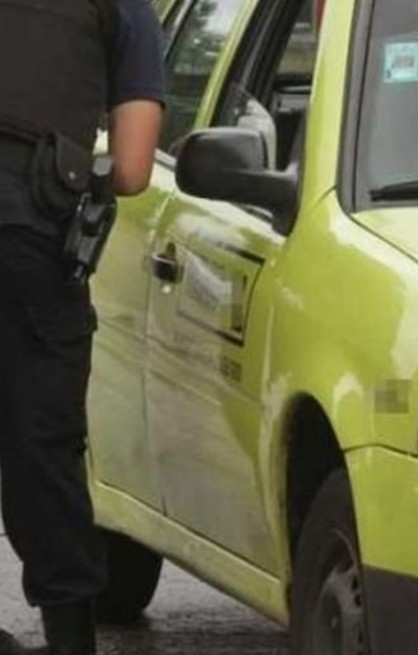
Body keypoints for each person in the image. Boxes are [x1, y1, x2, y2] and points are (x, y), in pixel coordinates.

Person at [0, 0, 164, 651]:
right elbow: (133, 169)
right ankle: (69, 636)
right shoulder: (123, 9)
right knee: (42, 445)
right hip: (30, 241)